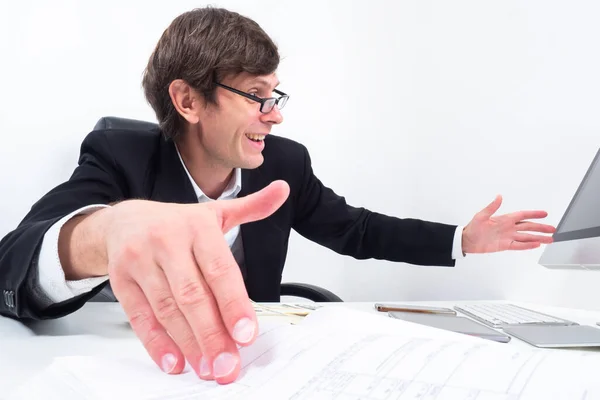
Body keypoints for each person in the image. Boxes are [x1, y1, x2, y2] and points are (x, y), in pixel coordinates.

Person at [0, 7, 555, 385]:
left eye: (276, 94)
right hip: (149, 371)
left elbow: (356, 229)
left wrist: (462, 239)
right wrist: (108, 230)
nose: (276, 113)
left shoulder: (286, 163)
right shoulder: (119, 155)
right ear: (188, 101)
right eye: (257, 95)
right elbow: (13, 260)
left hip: (257, 368)